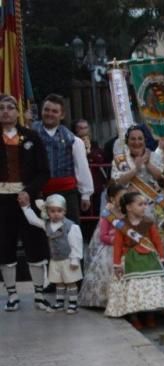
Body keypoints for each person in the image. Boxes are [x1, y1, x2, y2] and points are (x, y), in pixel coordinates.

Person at [0, 94, 51, 312]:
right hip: (2, 199)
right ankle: (11, 294)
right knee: (4, 245)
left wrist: (29, 191)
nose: (5, 111)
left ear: (17, 111)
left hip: (28, 199)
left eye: (10, 107)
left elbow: (44, 172)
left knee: (35, 243)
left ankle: (39, 293)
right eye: (1, 108)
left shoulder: (32, 137)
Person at [104, 191, 164, 329]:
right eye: (140, 204)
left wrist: (162, 256)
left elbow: (157, 241)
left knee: (150, 287)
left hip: (149, 258)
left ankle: (150, 316)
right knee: (132, 289)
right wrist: (117, 263)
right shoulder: (121, 225)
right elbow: (118, 245)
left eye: (145, 204)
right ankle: (134, 316)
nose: (144, 207)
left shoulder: (148, 222)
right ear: (129, 207)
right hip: (130, 259)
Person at [33, 94, 93, 225]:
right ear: (41, 111)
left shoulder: (73, 140)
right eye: (46, 110)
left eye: (54, 111)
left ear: (62, 115)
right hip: (38, 191)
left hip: (66, 193)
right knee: (40, 233)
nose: (50, 114)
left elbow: (81, 166)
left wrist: (85, 194)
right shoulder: (30, 134)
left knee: (69, 232)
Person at [19, 193, 83, 313]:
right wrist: (26, 207)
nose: (56, 214)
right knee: (59, 282)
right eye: (52, 211)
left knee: (70, 282)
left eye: (59, 211)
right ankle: (59, 303)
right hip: (55, 260)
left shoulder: (71, 226)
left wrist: (75, 259)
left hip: (68, 259)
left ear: (65, 211)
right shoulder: (47, 224)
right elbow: (33, 220)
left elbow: (76, 243)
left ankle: (73, 304)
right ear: (47, 212)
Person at [79, 184, 126, 309]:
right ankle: (106, 300)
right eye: (121, 197)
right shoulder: (108, 214)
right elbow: (103, 236)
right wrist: (115, 240)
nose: (124, 200)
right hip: (110, 250)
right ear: (112, 199)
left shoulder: (129, 212)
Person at [111, 125, 164, 194]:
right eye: (133, 139)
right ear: (127, 141)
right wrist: (135, 169)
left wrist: (148, 164)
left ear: (145, 141)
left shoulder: (155, 156)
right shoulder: (119, 159)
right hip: (128, 201)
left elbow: (163, 179)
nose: (137, 142)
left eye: (140, 139)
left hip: (152, 201)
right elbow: (117, 183)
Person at [72, 118, 105, 218]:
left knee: (95, 213)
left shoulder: (94, 144)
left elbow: (100, 160)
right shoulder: (73, 143)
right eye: (80, 128)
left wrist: (88, 150)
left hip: (95, 184)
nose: (83, 131)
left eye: (85, 128)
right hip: (78, 186)